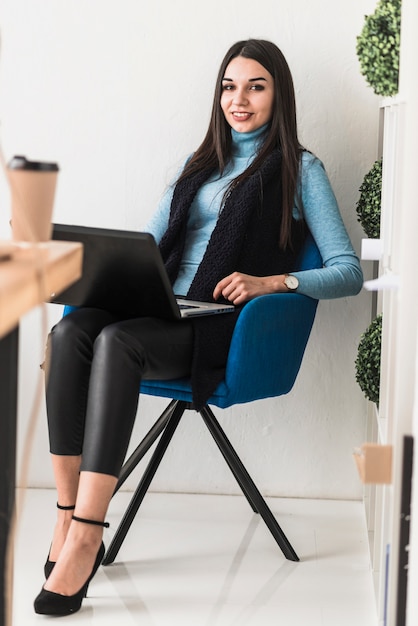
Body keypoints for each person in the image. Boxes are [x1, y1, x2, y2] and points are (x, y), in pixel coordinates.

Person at [34, 38, 363, 616]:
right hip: (164, 308)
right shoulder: (197, 167)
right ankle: (66, 519)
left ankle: (87, 534)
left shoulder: (299, 169)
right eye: (229, 86)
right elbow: (143, 247)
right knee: (69, 334)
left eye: (256, 86)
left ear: (278, 95)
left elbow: (347, 273)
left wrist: (275, 281)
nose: (240, 100)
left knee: (117, 341)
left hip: (218, 329)